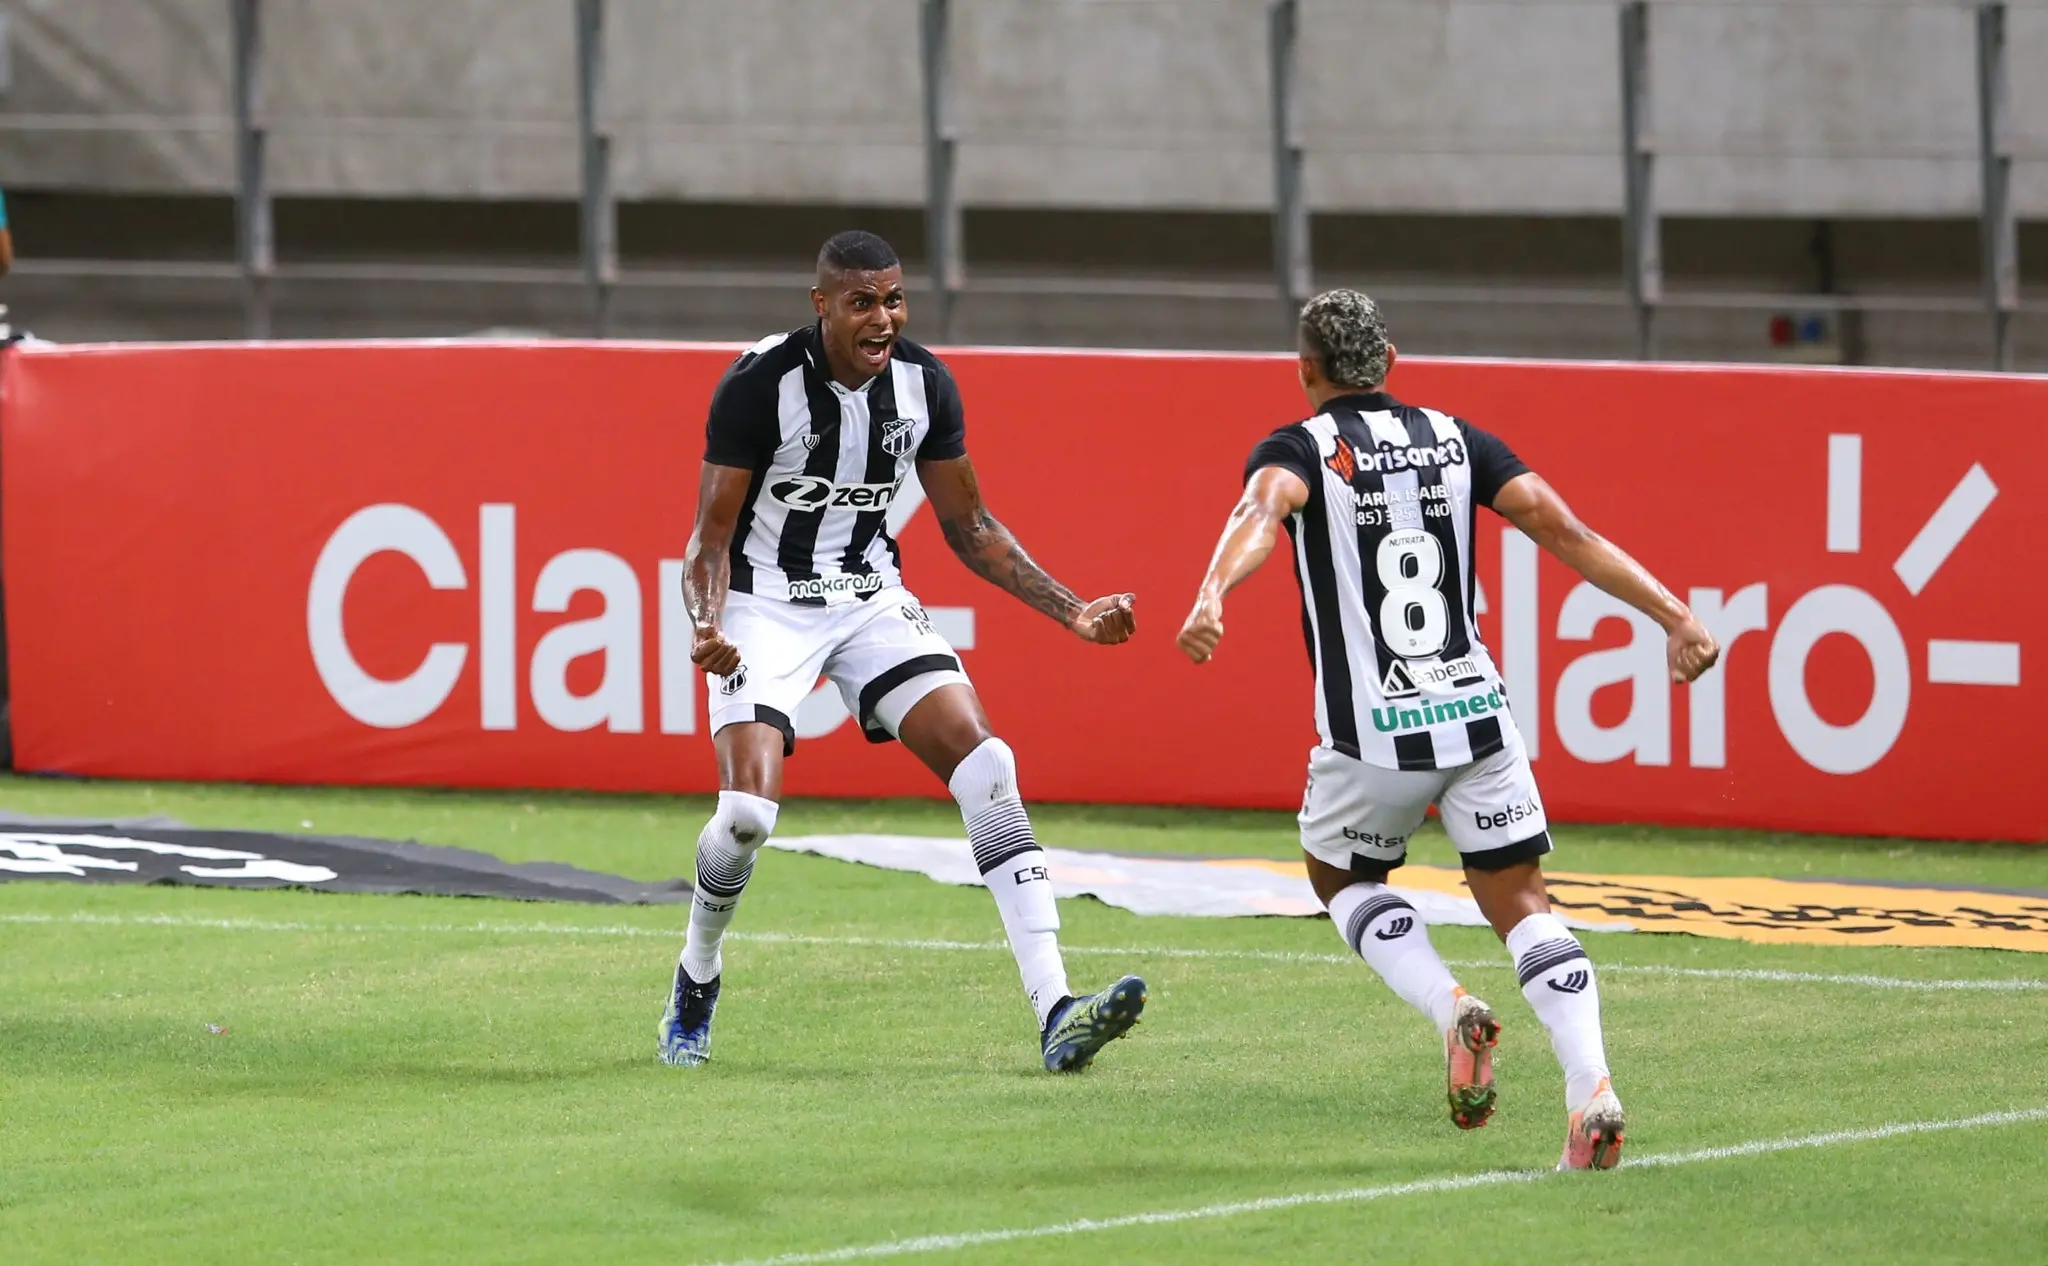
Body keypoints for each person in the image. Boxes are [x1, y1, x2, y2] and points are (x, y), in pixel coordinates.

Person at [1176, 289, 1720, 1170]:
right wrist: (1674, 615)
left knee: (1341, 876)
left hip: (1372, 733)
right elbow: (1564, 528)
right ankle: (1592, 1087)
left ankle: (1449, 1008)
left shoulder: (1299, 447)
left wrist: (1211, 593)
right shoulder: (1460, 440)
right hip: (1475, 716)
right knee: (1523, 904)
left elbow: (1260, 514)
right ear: (1390, 360)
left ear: (1306, 372)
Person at [662, 230, 1148, 1073]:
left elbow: (971, 527)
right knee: (746, 820)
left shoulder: (925, 386)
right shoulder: (757, 385)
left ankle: (1056, 1008)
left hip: (867, 596)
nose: (883, 318)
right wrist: (706, 624)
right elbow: (707, 540)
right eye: (862, 302)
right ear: (822, 306)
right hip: (763, 604)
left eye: (893, 299)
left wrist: (1073, 611)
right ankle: (697, 976)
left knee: (986, 762)